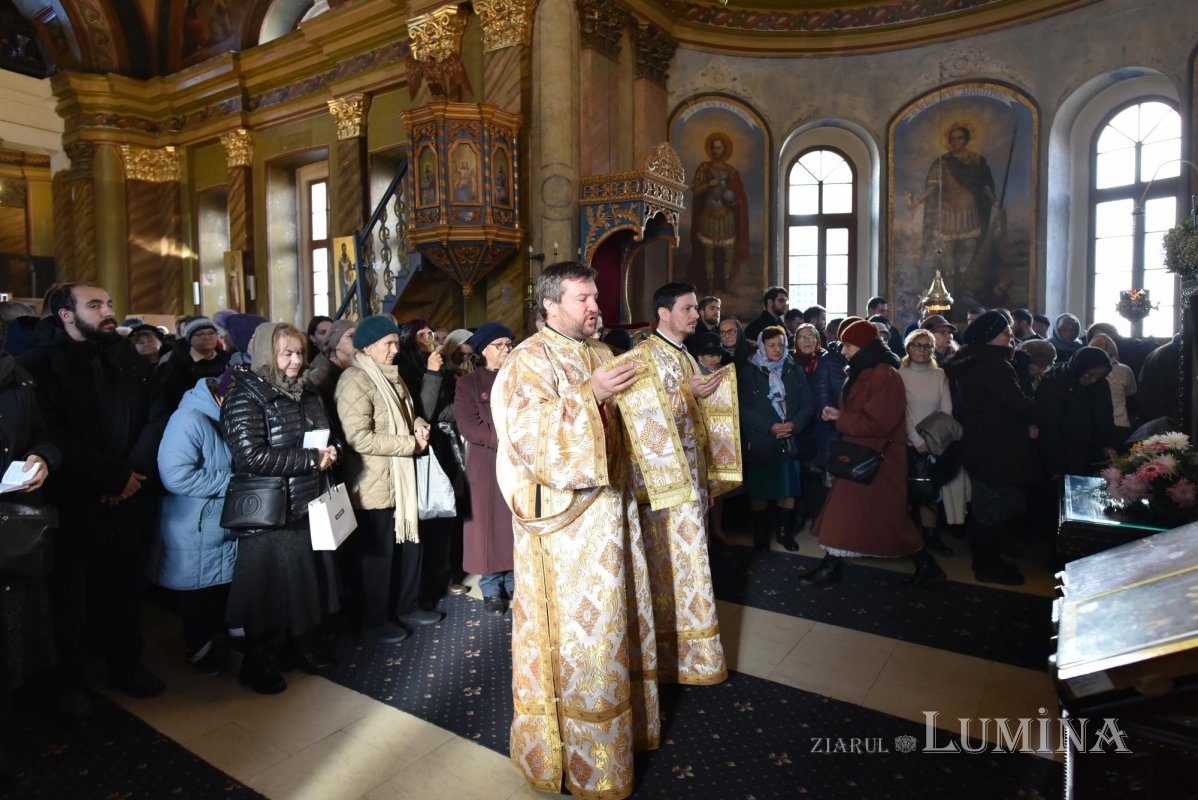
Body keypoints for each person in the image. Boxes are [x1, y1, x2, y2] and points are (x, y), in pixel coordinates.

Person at [492, 262, 659, 799]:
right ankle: (578, 758)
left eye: (595, 297)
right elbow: (526, 437)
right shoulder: (526, 362)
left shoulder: (603, 352)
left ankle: (619, 737)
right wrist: (588, 394)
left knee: (614, 630)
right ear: (550, 305)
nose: (594, 307)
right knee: (582, 640)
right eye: (582, 298)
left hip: (613, 517)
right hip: (565, 534)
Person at [20, 282, 166, 704]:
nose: (108, 310)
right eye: (95, 304)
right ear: (66, 315)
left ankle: (126, 664)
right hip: (77, 499)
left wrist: (132, 473)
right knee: (70, 595)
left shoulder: (129, 358)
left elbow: (156, 417)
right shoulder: (39, 365)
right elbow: (50, 433)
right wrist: (110, 478)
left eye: (109, 302)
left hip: (130, 496)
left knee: (125, 589)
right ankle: (68, 681)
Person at [221, 322, 340, 693]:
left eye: (300, 352)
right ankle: (256, 661)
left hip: (306, 499)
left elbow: (320, 435)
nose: (296, 360)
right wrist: (309, 459)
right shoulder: (245, 396)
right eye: (286, 353)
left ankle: (294, 648)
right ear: (266, 356)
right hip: (270, 510)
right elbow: (250, 456)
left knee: (302, 584)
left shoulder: (305, 391)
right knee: (264, 592)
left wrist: (330, 452)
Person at [634, 282, 730, 684]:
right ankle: (665, 656)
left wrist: (706, 482)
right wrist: (684, 395)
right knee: (667, 571)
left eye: (695, 308)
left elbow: (698, 425)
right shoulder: (642, 357)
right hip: (662, 489)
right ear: (664, 313)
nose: (696, 315)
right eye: (688, 309)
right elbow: (640, 422)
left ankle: (690, 655)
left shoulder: (686, 356)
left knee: (692, 567)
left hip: (691, 483)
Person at [803, 320, 944, 586]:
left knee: (886, 520)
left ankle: (925, 564)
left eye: (848, 345)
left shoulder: (883, 374)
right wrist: (839, 414)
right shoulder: (867, 369)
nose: (843, 351)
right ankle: (831, 565)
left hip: (878, 460)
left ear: (863, 346)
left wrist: (840, 418)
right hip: (864, 454)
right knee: (853, 514)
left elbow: (879, 422)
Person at [335, 315, 435, 643]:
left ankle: (406, 606)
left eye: (395, 342)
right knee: (377, 559)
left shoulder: (392, 375)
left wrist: (419, 424)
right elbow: (357, 438)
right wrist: (409, 444)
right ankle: (374, 620)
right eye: (387, 344)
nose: (395, 349)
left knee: (408, 548)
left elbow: (408, 413)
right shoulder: (355, 379)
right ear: (367, 347)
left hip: (400, 480)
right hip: (373, 484)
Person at [0, 327, 59, 773]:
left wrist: (42, 458)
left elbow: (43, 435)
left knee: (14, 634)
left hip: (14, 526)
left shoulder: (15, 376)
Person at [942, 311, 1035, 585]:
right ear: (990, 338)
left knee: (987, 504)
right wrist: (1041, 406)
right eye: (1005, 333)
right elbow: (1016, 405)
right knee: (993, 506)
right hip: (996, 446)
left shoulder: (970, 361)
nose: (1010, 338)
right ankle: (987, 565)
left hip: (979, 443)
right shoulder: (993, 365)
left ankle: (989, 556)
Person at [154, 377, 236, 676]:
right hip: (195, 522)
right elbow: (175, 475)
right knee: (197, 594)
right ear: (222, 396)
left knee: (220, 588)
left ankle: (226, 638)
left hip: (222, 518)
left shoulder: (226, 417)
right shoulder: (188, 419)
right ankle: (199, 649)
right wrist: (234, 483)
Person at [453, 323, 516, 614]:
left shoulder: (520, 378)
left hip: (520, 461)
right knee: (488, 526)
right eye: (499, 345)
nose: (506, 349)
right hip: (486, 462)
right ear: (483, 350)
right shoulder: (469, 384)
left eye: (509, 344)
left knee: (515, 521)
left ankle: (516, 580)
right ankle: (491, 587)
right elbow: (469, 426)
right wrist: (505, 441)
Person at [739, 325, 811, 552]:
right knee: (759, 491)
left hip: (789, 438)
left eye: (781, 344)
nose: (778, 350)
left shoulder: (794, 366)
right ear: (762, 346)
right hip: (762, 439)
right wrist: (769, 427)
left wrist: (794, 424)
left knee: (788, 488)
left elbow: (807, 403)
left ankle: (783, 533)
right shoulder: (749, 370)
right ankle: (761, 535)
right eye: (771, 345)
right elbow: (743, 408)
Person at [906, 124, 999, 288]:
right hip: (948, 209)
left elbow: (985, 185)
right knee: (946, 247)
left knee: (969, 244)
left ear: (967, 139)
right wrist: (918, 201)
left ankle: (965, 280)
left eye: (959, 138)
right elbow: (932, 187)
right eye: (953, 139)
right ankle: (950, 282)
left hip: (968, 207)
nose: (956, 141)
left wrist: (994, 201)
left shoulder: (977, 161)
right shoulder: (943, 162)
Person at [898, 328, 959, 557]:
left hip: (935, 442)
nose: (922, 350)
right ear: (908, 347)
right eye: (917, 345)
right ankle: (906, 537)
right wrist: (916, 439)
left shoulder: (939, 374)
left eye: (927, 346)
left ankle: (930, 537)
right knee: (906, 492)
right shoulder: (900, 374)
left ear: (933, 349)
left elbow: (946, 411)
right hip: (906, 441)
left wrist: (932, 441)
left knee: (932, 492)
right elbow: (902, 411)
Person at [792, 323, 846, 527]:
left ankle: (818, 515)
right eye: (802, 338)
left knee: (819, 472)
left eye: (811, 337)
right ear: (795, 342)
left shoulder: (827, 360)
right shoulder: (789, 361)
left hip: (823, 424)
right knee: (800, 471)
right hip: (799, 424)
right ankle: (798, 515)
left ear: (818, 340)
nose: (807, 341)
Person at [1034, 346, 1115, 478]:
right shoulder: (1054, 383)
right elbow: (1048, 428)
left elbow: (1106, 416)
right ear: (1078, 369)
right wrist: (1054, 466)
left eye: (1100, 375)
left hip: (1091, 452)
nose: (1093, 380)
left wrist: (1108, 444)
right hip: (1063, 452)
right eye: (1088, 375)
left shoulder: (1101, 385)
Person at [689, 131, 749, 289]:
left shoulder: (731, 170)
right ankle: (709, 283)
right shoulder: (703, 168)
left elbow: (738, 194)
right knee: (708, 252)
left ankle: (727, 283)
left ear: (724, 150)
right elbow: (695, 190)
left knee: (728, 253)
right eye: (714, 148)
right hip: (708, 213)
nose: (716, 151)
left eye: (719, 148)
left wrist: (733, 197)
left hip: (726, 215)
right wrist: (710, 184)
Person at [158, 316, 231, 413]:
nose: (207, 337)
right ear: (189, 338)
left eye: (211, 333)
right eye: (200, 334)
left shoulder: (227, 359)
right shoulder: (176, 363)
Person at [1088, 333, 1137, 446]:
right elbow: (1131, 394)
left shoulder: (1087, 372)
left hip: (1104, 425)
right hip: (1118, 425)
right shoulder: (1125, 370)